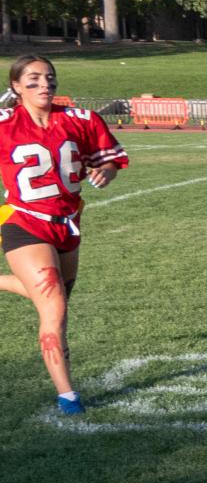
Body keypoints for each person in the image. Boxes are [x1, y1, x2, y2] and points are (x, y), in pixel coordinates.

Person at [0, 55, 127, 416]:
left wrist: (105, 172)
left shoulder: (80, 119)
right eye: (34, 79)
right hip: (25, 221)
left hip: (68, 221)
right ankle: (68, 395)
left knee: (56, 302)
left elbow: (109, 159)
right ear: (16, 86)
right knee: (53, 308)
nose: (45, 84)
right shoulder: (5, 123)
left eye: (49, 77)